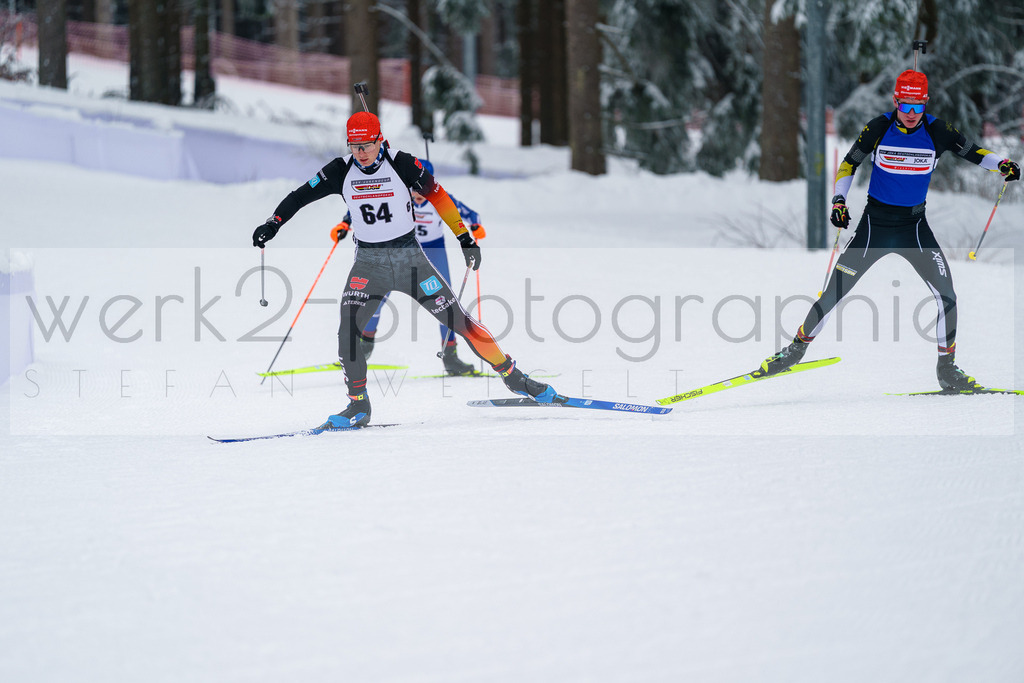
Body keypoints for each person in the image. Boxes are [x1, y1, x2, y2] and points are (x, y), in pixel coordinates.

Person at [252, 111, 558, 426]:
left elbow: (439, 197)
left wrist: (464, 238)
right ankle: (358, 406)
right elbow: (300, 196)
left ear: (379, 140)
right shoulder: (340, 171)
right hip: (369, 265)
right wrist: (273, 223)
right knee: (348, 333)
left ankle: (516, 378)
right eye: (354, 146)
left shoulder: (402, 164)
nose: (361, 153)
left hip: (410, 260)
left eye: (367, 146)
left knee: (459, 322)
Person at [759, 69, 1020, 390]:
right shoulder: (879, 128)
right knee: (834, 292)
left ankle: (948, 370)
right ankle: (794, 351)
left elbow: (974, 152)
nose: (911, 114)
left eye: (918, 107)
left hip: (914, 228)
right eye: (905, 106)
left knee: (947, 296)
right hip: (875, 227)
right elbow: (849, 163)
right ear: (895, 101)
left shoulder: (938, 131)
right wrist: (838, 202)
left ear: (926, 104)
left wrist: (1001, 164)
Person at [329, 157, 487, 376]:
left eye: (423, 188)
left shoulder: (440, 197)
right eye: (414, 188)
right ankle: (365, 343)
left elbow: (469, 214)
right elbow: (360, 209)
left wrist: (475, 227)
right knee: (377, 295)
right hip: (403, 249)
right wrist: (344, 224)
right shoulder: (399, 194)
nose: (419, 192)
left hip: (434, 249)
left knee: (445, 302)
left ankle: (450, 356)